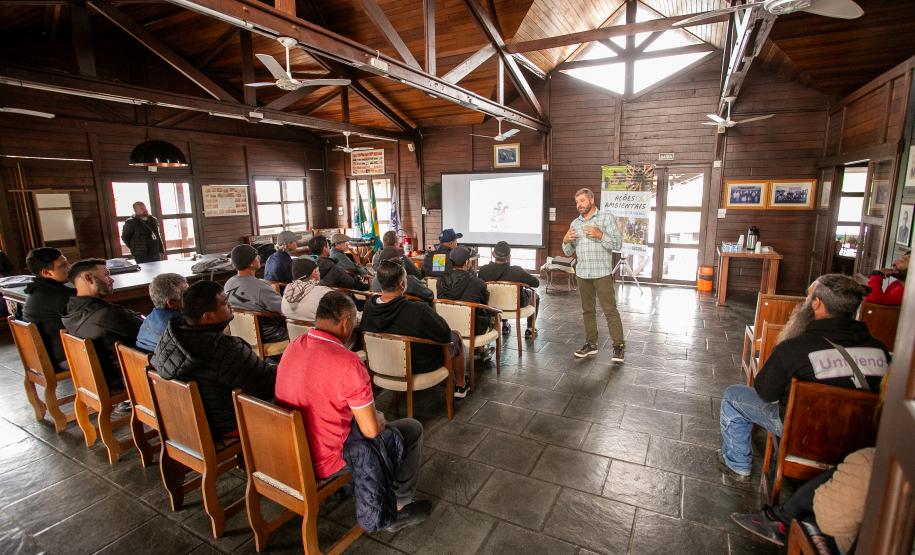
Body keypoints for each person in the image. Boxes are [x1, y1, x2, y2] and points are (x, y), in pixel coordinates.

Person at [275, 291, 431, 532]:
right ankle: (399, 505)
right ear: (347, 322)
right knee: (411, 428)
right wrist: (379, 418)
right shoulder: (347, 363)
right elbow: (370, 430)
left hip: (290, 449)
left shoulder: (294, 346)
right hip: (324, 459)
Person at [718, 274, 889, 482]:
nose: (805, 302)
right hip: (859, 438)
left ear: (817, 304)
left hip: (804, 434)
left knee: (733, 397)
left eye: (807, 298)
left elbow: (765, 392)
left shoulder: (794, 349)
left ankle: (738, 465)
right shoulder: (880, 350)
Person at [152, 280, 277, 440]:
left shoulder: (171, 340)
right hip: (227, 425)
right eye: (225, 303)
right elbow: (266, 384)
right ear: (208, 316)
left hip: (185, 423)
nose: (230, 305)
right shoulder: (225, 349)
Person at [360, 259, 468, 397]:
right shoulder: (417, 309)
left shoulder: (369, 306)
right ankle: (461, 384)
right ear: (402, 283)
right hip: (418, 364)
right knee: (455, 336)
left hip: (381, 363)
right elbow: (445, 335)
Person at [731, 447, 874, 550]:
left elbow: (828, 518)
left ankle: (738, 464)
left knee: (733, 404)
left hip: (844, 540)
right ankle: (779, 516)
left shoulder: (870, 462)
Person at [561, 187, 625, 361]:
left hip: (602, 273)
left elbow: (618, 244)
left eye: (582, 201)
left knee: (610, 310)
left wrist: (600, 234)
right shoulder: (575, 223)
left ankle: (618, 346)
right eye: (576, 202)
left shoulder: (606, 218)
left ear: (591, 200)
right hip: (582, 274)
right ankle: (591, 344)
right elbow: (568, 251)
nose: (578, 205)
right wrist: (565, 241)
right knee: (587, 311)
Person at [62, 259, 143, 389]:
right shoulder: (107, 314)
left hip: (95, 377)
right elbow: (147, 332)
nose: (111, 280)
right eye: (106, 275)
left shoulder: (70, 309)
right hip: (123, 376)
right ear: (88, 278)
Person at [223, 244, 288, 343]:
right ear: (251, 264)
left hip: (239, 335)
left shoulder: (229, 283)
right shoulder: (260, 287)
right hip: (268, 335)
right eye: (256, 255)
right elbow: (285, 308)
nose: (259, 257)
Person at [23, 247, 74, 369]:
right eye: (63, 265)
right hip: (63, 358)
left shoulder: (36, 290)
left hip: (44, 357)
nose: (70, 267)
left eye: (67, 262)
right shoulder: (60, 295)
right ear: (46, 272)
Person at [478, 241, 540, 337]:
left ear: (493, 254)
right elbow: (536, 283)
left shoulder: (483, 270)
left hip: (492, 306)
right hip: (515, 305)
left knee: (498, 296)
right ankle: (530, 328)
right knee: (535, 296)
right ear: (509, 256)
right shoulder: (517, 271)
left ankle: (505, 325)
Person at [437, 246, 494, 337]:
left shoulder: (440, 280)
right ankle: (479, 348)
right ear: (467, 262)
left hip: (447, 325)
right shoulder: (478, 283)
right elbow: (484, 304)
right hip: (472, 328)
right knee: (491, 316)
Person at [136, 273, 188, 352]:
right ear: (171, 303)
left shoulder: (148, 319)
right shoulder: (179, 325)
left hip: (139, 362)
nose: (193, 296)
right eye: (187, 294)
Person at [281, 257, 334, 322]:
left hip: (291, 332)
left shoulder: (286, 294)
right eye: (318, 270)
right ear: (314, 273)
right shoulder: (325, 293)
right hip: (318, 331)